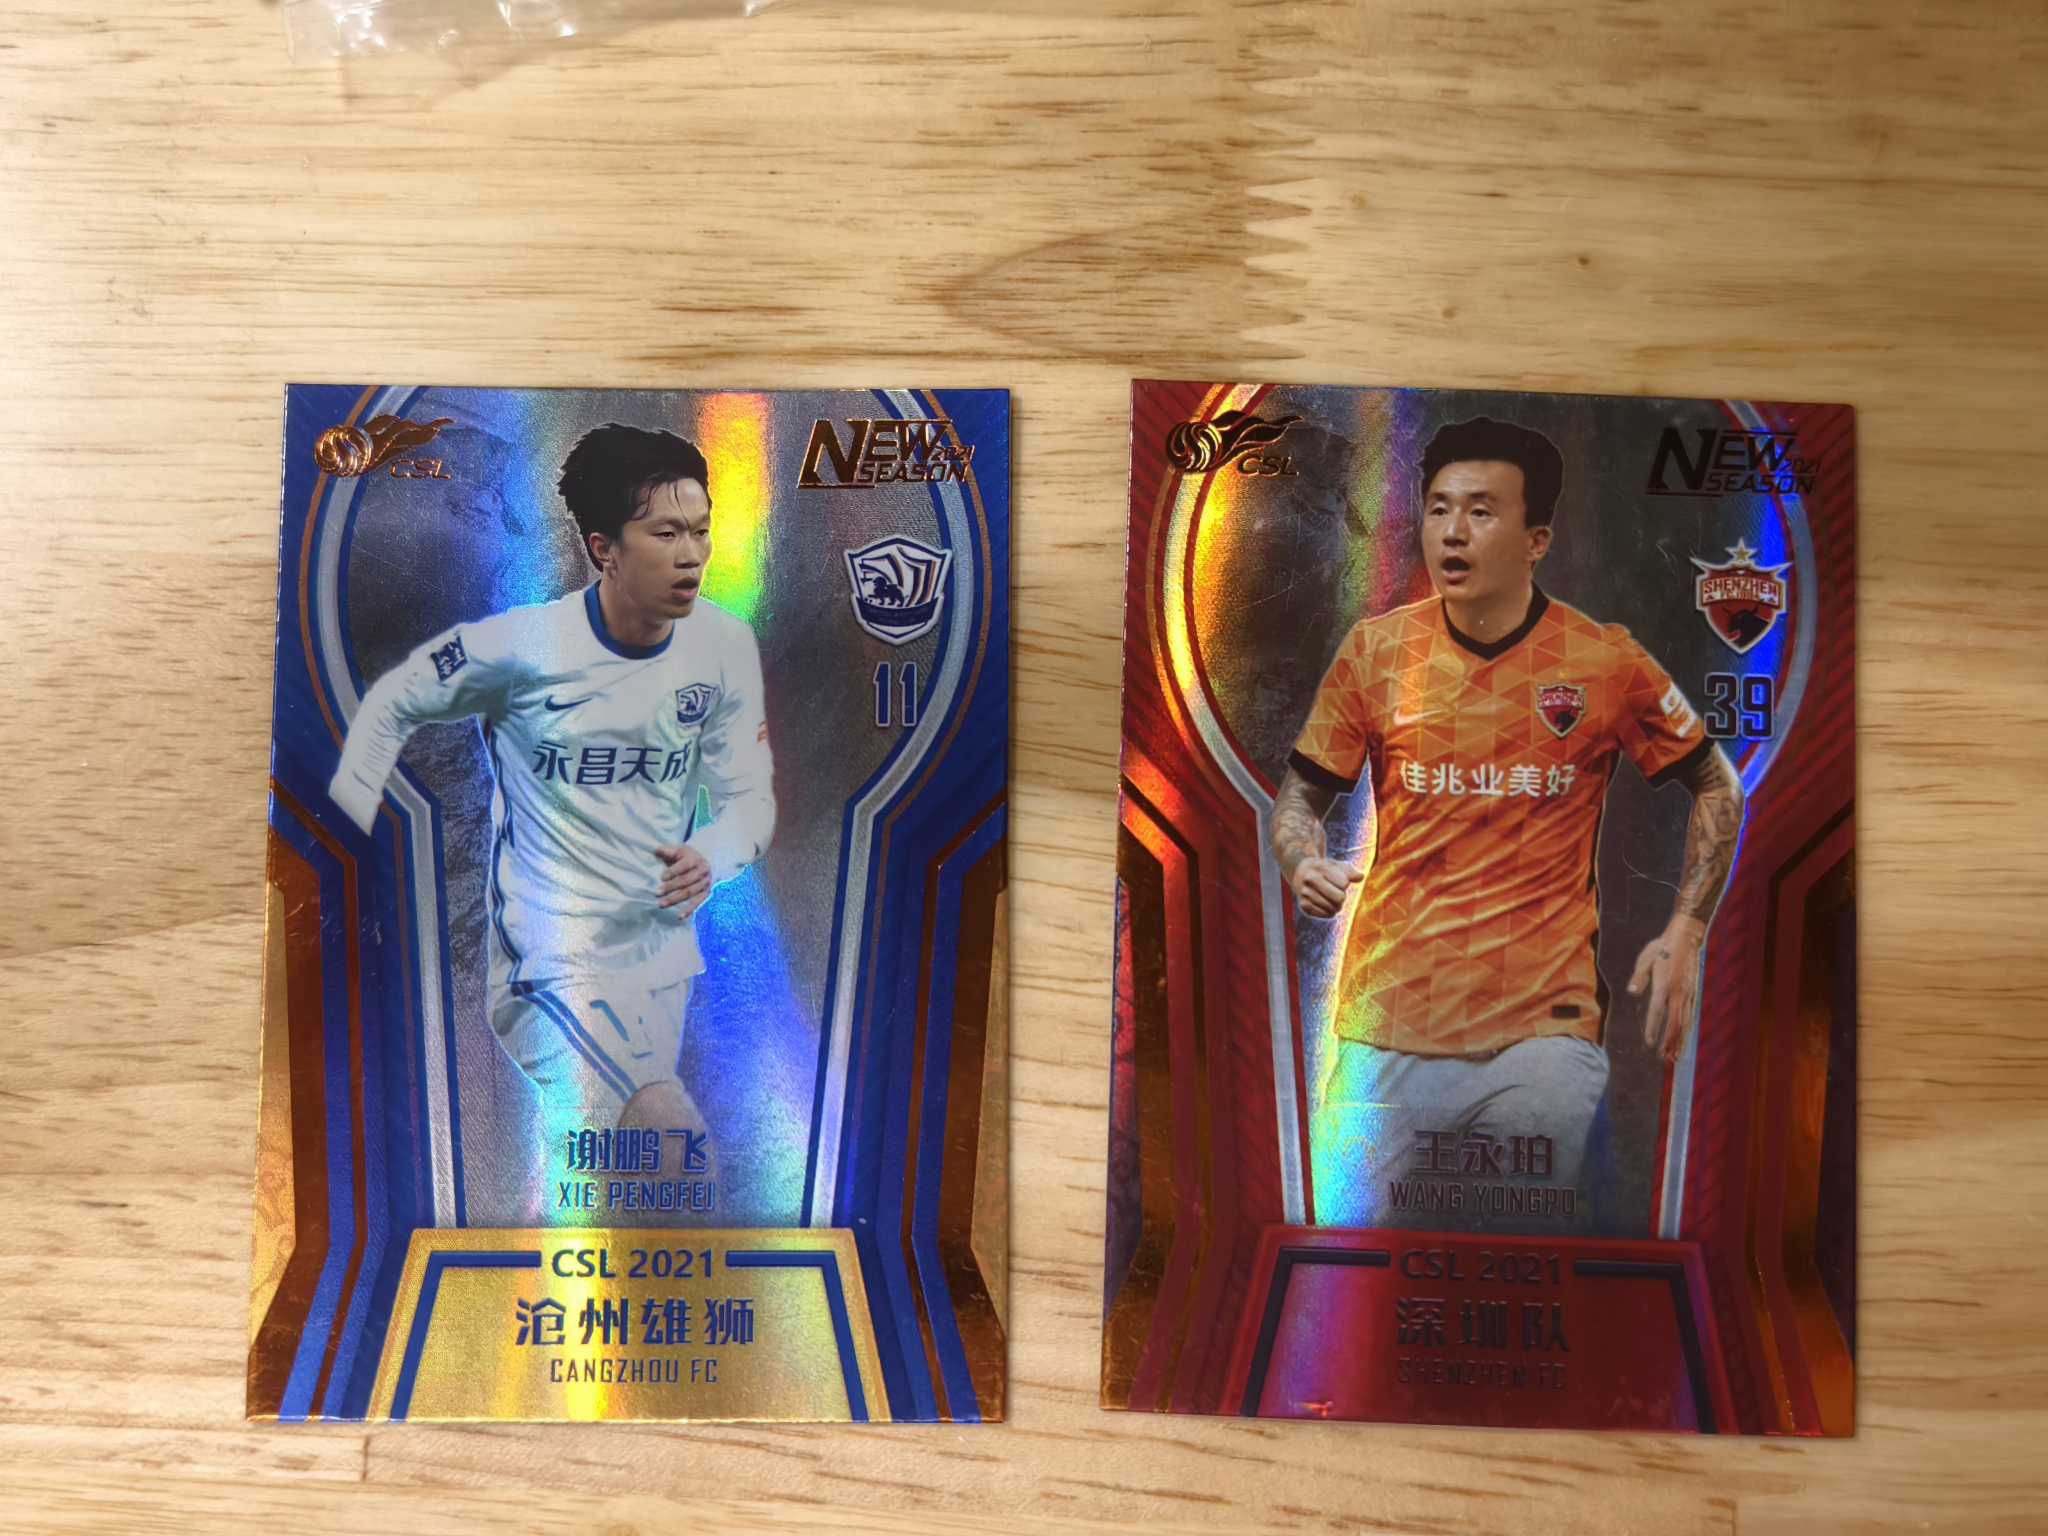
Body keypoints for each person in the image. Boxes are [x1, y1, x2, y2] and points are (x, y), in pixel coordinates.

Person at [1270, 415, 1744, 1229]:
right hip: (1386, 1027)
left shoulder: (1603, 661)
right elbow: (1298, 803)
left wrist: (1687, 932)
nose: (1453, 532)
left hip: (1540, 1036)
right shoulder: (1377, 653)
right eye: (1438, 508)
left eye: (1481, 511)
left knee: (1510, 1246)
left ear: (1537, 541)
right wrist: (1300, 858)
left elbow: (1717, 788)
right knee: (1349, 1265)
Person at [329, 424, 775, 1180]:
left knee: (635, 1180)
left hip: (661, 967)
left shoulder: (724, 648)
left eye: (700, 531)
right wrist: (346, 851)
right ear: (604, 548)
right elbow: (393, 701)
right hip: (548, 971)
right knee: (678, 1148)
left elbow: (751, 806)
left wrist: (714, 853)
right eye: (665, 533)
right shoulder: (521, 648)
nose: (691, 554)